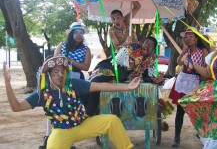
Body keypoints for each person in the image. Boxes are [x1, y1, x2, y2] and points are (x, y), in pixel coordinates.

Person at [3, 56, 141, 149]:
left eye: (62, 71)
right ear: (48, 76)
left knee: (112, 120)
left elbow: (101, 86)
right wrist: (8, 83)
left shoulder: (74, 84)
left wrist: (127, 87)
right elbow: (16, 107)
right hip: (61, 132)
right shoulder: (41, 94)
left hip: (83, 125)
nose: (60, 75)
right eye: (56, 72)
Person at [85, 36, 165, 116]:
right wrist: (127, 76)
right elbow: (115, 63)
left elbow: (146, 76)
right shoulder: (131, 48)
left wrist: (153, 80)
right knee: (95, 85)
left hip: (122, 78)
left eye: (151, 45)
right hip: (109, 69)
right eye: (146, 43)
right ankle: (88, 113)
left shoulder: (151, 59)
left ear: (152, 50)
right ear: (142, 43)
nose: (147, 46)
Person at [168, 27, 209, 147]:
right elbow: (179, 62)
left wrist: (195, 66)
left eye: (191, 36)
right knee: (180, 111)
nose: (188, 38)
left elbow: (206, 66)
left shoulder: (203, 51)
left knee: (197, 111)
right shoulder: (186, 50)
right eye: (186, 37)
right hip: (183, 80)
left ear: (196, 38)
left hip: (196, 81)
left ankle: (201, 134)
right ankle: (176, 137)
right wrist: (184, 52)